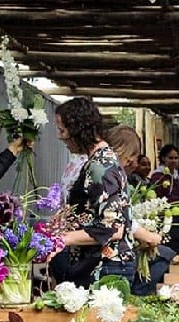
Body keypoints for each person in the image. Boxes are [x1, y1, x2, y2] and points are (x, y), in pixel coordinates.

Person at [46, 97, 134, 287]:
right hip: (99, 267)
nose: (60, 137)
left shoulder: (100, 166)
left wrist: (63, 239)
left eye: (63, 130)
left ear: (78, 129)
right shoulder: (98, 161)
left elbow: (113, 228)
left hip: (105, 269)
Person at [105, 125, 177, 295]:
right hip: (113, 257)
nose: (135, 163)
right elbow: (118, 219)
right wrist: (149, 236)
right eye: (135, 158)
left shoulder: (113, 174)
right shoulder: (110, 175)